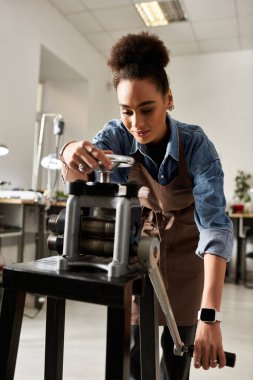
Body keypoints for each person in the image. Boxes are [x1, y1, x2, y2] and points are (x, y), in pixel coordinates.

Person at [59, 32, 233, 380]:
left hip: (188, 258)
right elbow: (80, 168)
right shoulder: (118, 134)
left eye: (147, 109)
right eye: (127, 111)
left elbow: (215, 227)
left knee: (177, 357)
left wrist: (210, 315)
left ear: (168, 99)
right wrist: (68, 152)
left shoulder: (198, 147)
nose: (137, 123)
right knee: (137, 357)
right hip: (143, 253)